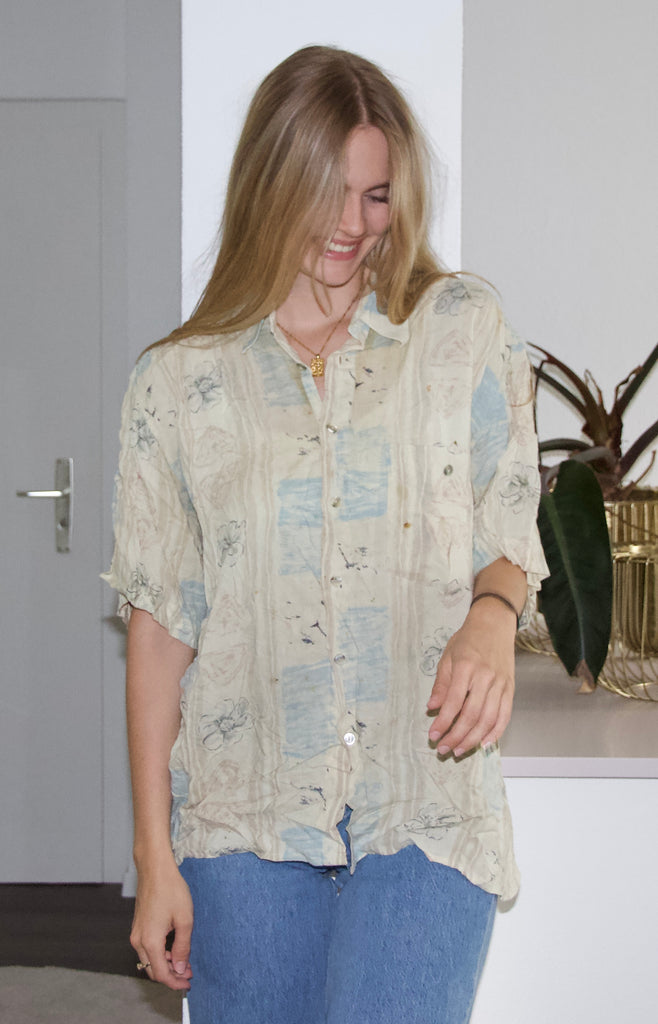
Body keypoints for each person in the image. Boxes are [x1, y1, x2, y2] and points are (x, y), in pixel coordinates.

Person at [104, 45, 547, 1024]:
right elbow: (161, 629)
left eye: (376, 195)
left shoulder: (461, 330)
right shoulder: (178, 383)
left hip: (426, 801)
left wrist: (491, 614)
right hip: (245, 821)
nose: (353, 225)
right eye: (325, 193)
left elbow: (508, 514)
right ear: (270, 185)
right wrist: (153, 856)